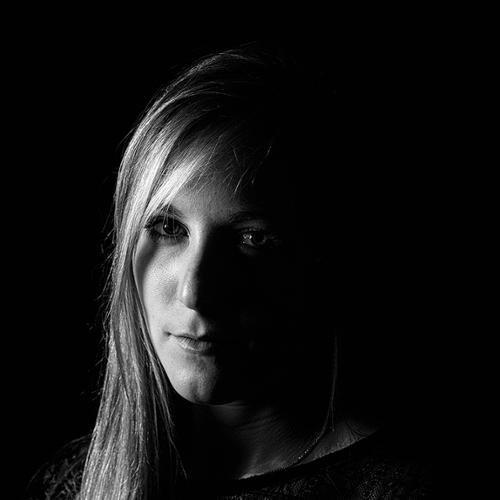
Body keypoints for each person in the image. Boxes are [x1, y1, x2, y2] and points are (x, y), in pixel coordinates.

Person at [26, 42, 433, 499]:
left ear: (319, 256)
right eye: (168, 227)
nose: (196, 292)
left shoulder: (400, 486)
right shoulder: (72, 483)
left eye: (251, 238)